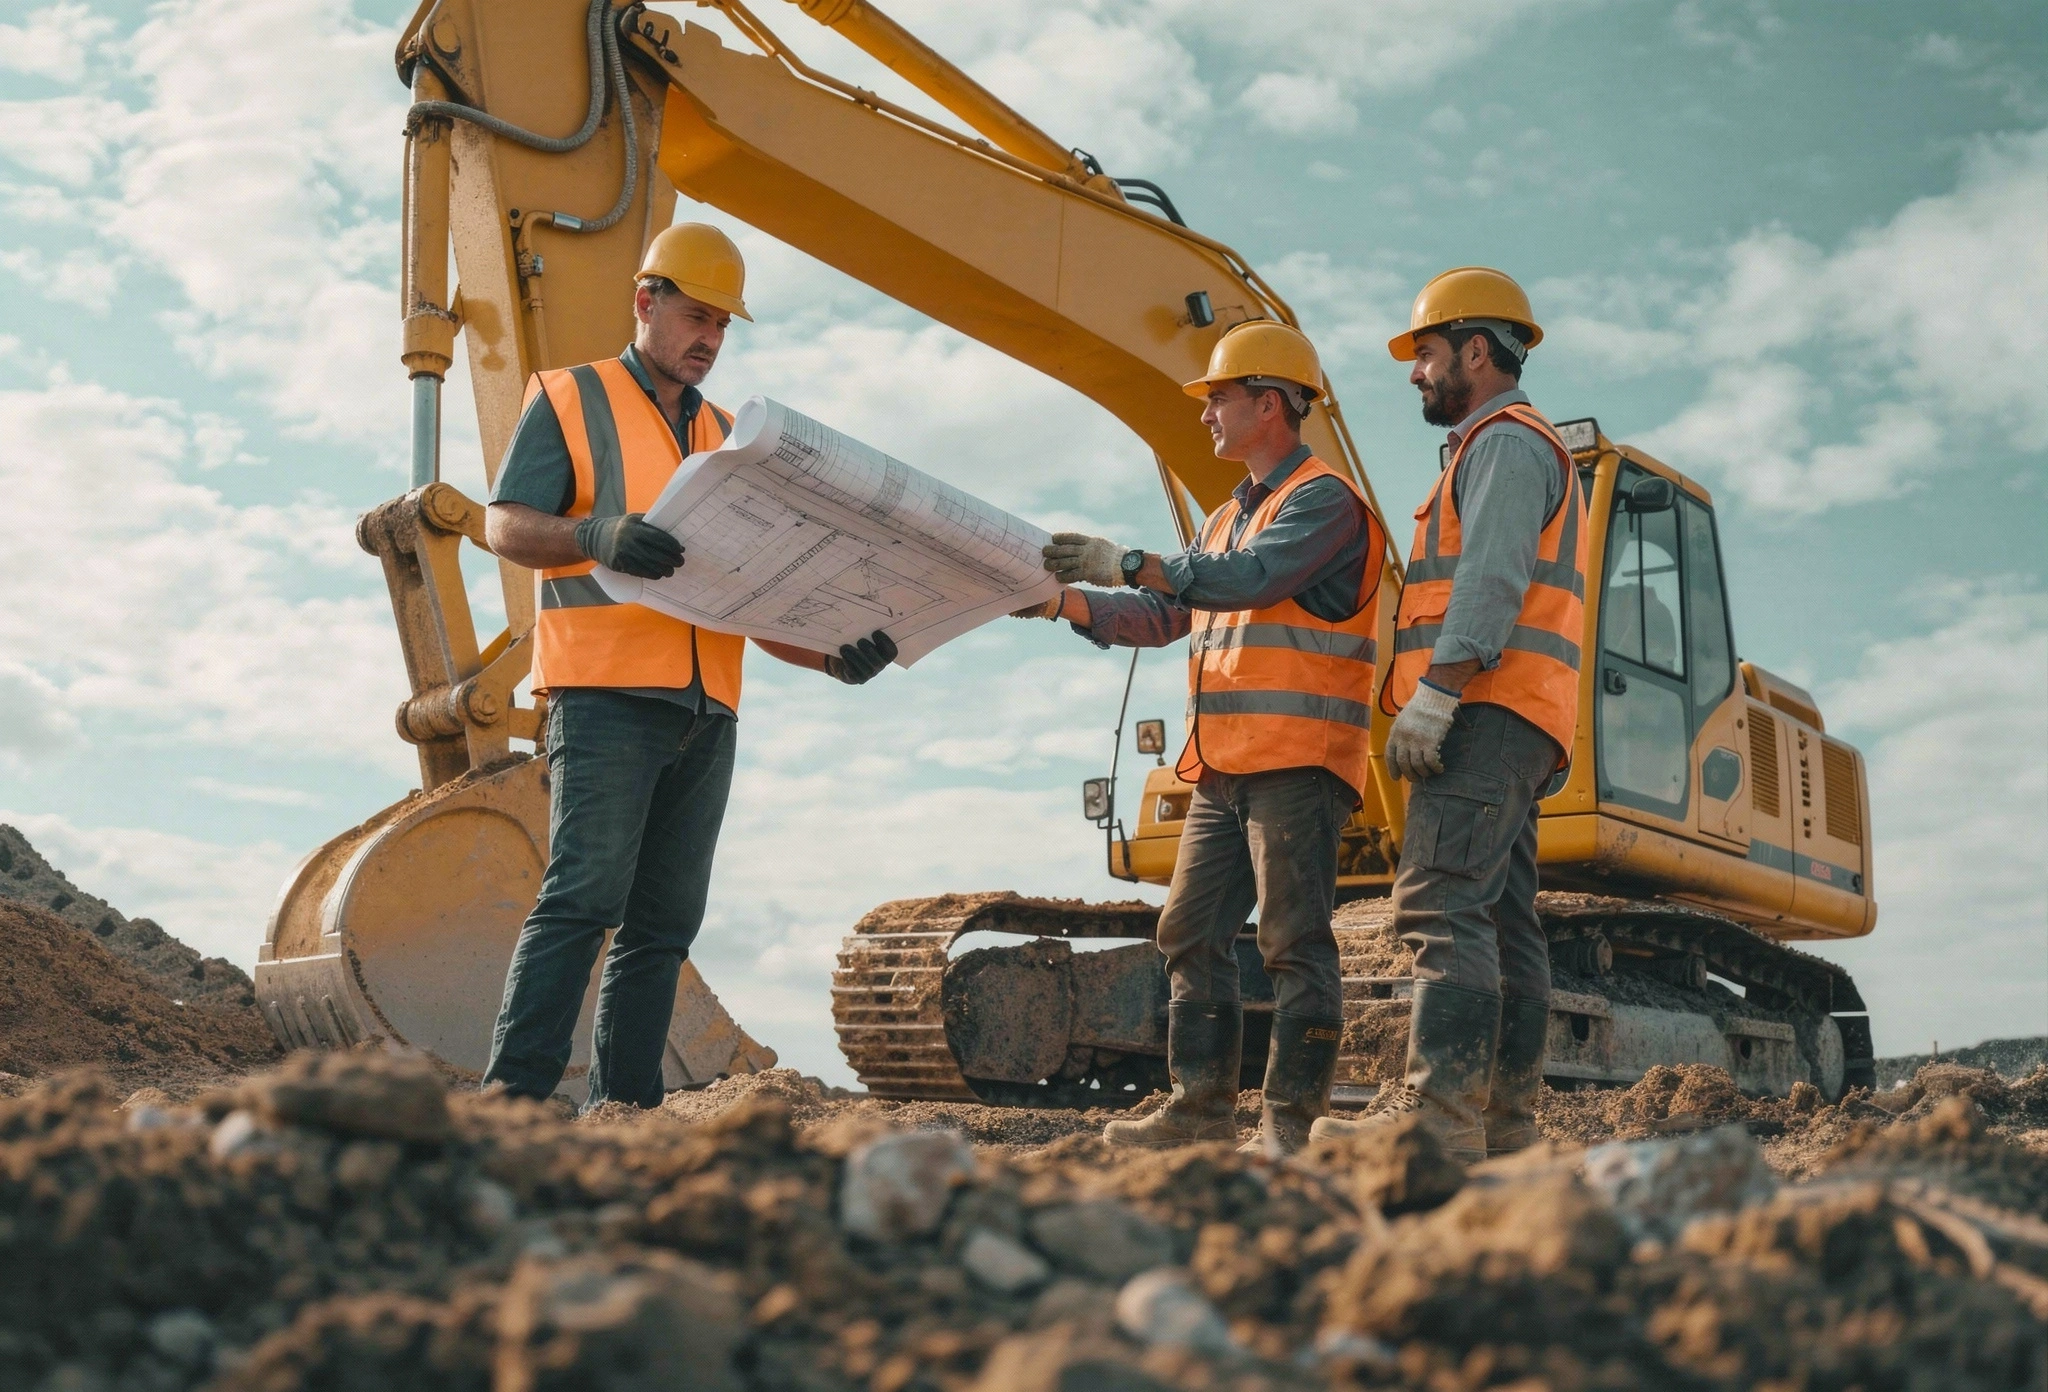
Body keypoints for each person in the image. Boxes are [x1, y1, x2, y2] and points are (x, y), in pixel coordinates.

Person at [480, 222, 898, 1109]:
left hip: (708, 709)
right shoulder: (571, 397)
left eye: (723, 324)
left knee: (664, 926)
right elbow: (505, 524)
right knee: (584, 898)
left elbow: (753, 598)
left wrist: (830, 657)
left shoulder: (729, 439)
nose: (709, 338)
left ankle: (626, 1111)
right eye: (696, 316)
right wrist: (595, 533)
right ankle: (513, 1099)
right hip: (603, 696)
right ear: (647, 302)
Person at [1020, 321, 1387, 1155]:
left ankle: (1290, 1127)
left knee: (1295, 943)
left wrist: (1133, 559)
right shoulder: (1227, 519)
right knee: (1187, 930)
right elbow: (1168, 613)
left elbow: (1254, 581)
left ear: (1270, 403)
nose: (1206, 414)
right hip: (1224, 768)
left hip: (1297, 761)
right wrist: (1065, 604)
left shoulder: (1324, 501)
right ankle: (1200, 1111)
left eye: (1218, 398)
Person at [1310, 267, 1588, 1163]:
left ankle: (1442, 1123)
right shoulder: (1499, 447)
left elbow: (1491, 582)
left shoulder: (1504, 445)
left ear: (1478, 348)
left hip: (1485, 708)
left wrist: (1436, 695)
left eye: (1426, 352)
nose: (1415, 372)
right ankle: (1501, 1128)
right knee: (1504, 919)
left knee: (1437, 902)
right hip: (1516, 714)